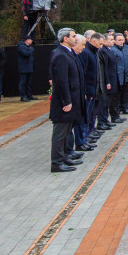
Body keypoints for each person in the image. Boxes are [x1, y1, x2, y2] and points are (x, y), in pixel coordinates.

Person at [50, 28, 82, 172]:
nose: (76, 38)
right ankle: (57, 163)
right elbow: (61, 81)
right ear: (65, 39)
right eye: (73, 36)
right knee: (60, 133)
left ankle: (64, 157)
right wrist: (66, 101)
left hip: (71, 99)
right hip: (63, 102)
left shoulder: (68, 53)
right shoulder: (60, 55)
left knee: (67, 131)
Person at [17, 36, 35, 101]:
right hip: (24, 68)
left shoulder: (28, 47)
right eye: (31, 40)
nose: (31, 41)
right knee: (23, 82)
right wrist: (30, 49)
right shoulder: (21, 47)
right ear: (27, 40)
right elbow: (26, 54)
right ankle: (23, 96)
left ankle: (29, 95)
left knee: (29, 82)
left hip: (29, 67)